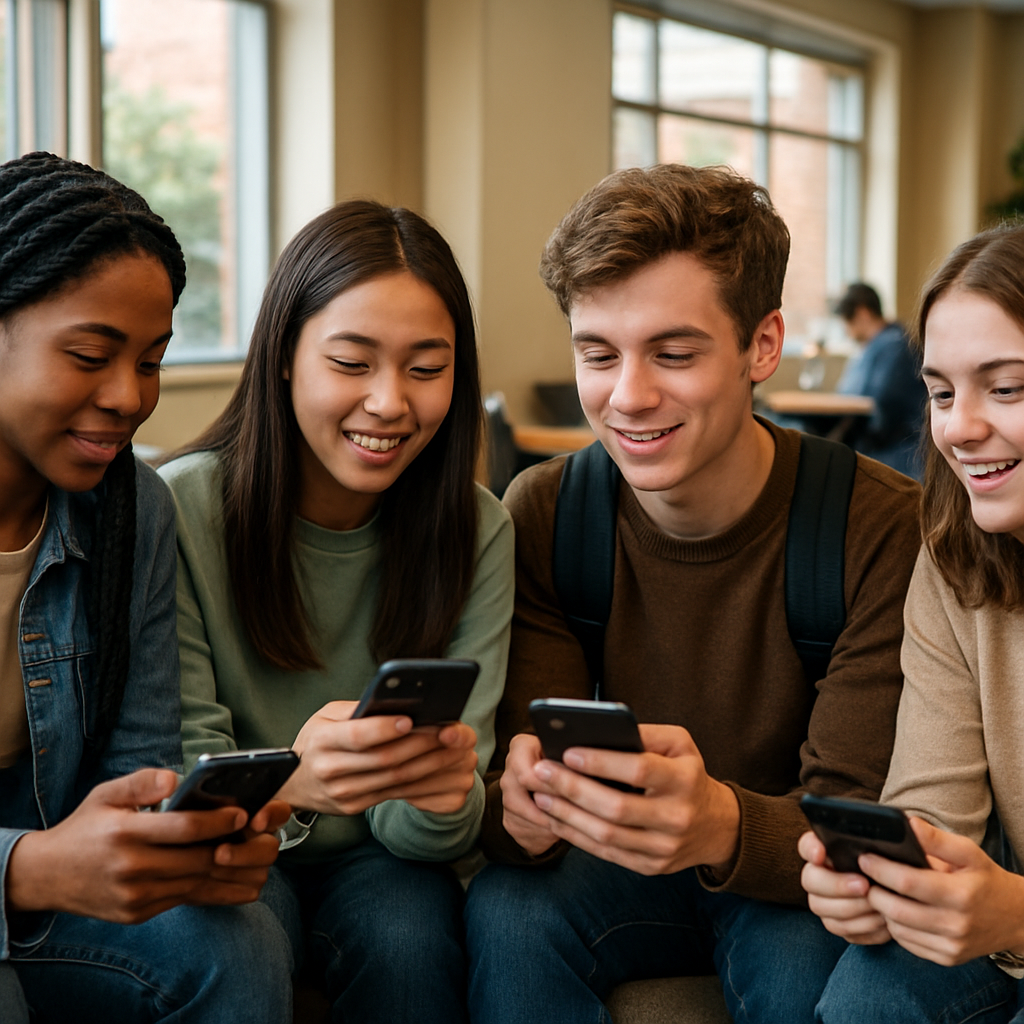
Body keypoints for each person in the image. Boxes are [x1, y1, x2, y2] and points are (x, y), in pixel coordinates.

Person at [462, 163, 922, 1024]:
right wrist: (517, 811)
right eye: (598, 354)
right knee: (507, 910)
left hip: (790, 877)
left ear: (763, 344)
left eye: (674, 353)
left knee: (798, 961)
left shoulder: (879, 525)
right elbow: (500, 792)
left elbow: (853, 821)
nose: (628, 397)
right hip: (609, 863)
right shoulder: (549, 511)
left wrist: (719, 823)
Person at [158, 199, 514, 1022]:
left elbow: (439, 836)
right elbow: (186, 788)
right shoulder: (181, 510)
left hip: (384, 860)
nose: (390, 403)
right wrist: (296, 781)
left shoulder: (477, 529)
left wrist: (440, 791)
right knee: (239, 931)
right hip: (232, 848)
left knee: (411, 937)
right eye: (352, 363)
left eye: (427, 369)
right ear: (283, 357)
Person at [0, 152, 291, 1022]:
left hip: (53, 861)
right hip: (29, 864)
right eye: (91, 354)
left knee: (234, 947)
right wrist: (30, 867)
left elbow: (139, 769)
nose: (129, 397)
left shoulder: (133, 511)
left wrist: (182, 845)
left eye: (153, 360)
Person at [801, 223, 1024, 1023]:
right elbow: (933, 810)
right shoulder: (955, 562)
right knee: (869, 993)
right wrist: (888, 881)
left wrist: (1017, 916)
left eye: (1007, 388)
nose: (960, 427)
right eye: (940, 391)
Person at [833, 281, 926, 478]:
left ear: (863, 313)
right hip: (880, 445)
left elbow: (879, 403)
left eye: (846, 321)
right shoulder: (873, 348)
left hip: (898, 451)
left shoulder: (894, 347)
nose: (845, 330)